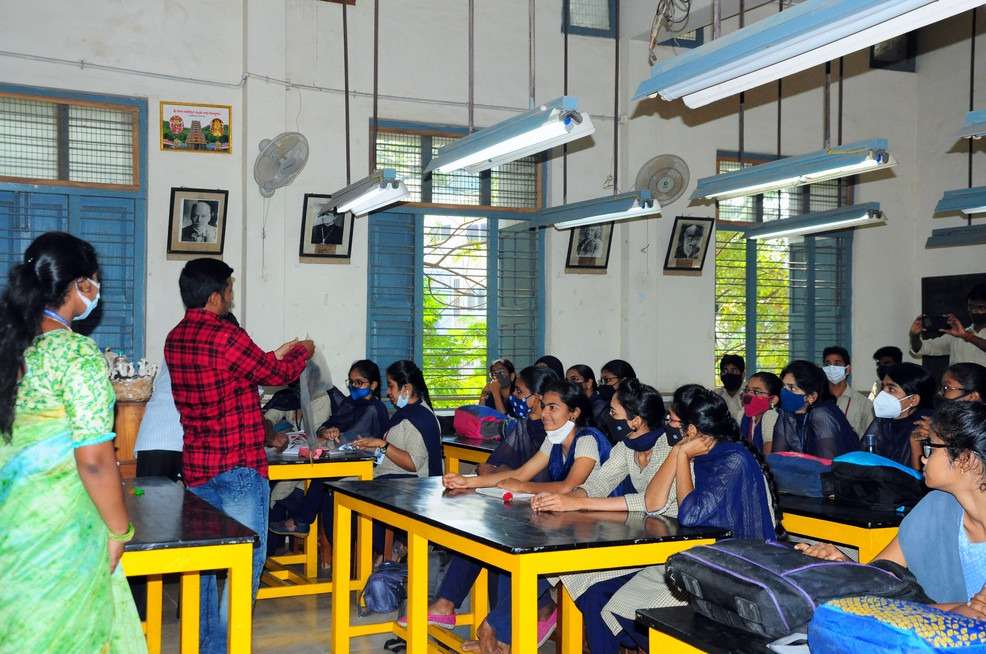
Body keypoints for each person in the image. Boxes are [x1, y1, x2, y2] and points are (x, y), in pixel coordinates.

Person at [0, 232, 146, 654]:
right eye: (95, 282)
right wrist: (120, 529)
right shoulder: (75, 355)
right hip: (60, 532)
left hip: (12, 525)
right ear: (81, 286)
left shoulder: (12, 349)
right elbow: (96, 459)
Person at [165, 258, 314, 654]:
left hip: (198, 468)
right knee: (246, 557)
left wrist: (274, 353)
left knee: (203, 561)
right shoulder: (225, 337)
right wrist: (302, 352)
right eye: (230, 289)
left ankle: (203, 645)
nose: (232, 295)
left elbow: (241, 369)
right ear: (215, 297)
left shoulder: (174, 339)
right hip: (239, 468)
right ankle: (227, 646)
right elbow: (276, 374)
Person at [417, 380, 614, 648]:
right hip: (568, 523)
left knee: (520, 549)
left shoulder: (587, 438)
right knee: (501, 538)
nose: (544, 413)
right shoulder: (554, 440)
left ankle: (495, 629)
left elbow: (570, 486)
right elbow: (519, 474)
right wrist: (467, 481)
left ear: (574, 412)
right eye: (544, 406)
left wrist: (522, 487)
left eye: (553, 407)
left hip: (601, 528)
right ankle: (503, 635)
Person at [589, 385, 780, 654]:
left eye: (672, 420)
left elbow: (690, 514)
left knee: (637, 605)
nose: (667, 424)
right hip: (698, 556)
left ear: (691, 429)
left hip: (734, 567)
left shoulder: (731, 459)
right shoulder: (700, 453)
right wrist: (681, 453)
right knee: (617, 604)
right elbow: (654, 502)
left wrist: (681, 454)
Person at [796, 401, 986, 618]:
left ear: (965, 459)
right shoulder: (935, 507)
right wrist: (845, 565)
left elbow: (975, 617)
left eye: (930, 447)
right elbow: (883, 577)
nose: (924, 457)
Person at [531, 379, 679, 654]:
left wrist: (576, 505)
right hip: (642, 536)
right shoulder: (626, 448)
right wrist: (568, 499)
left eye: (614, 413)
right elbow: (599, 481)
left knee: (596, 590)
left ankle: (632, 638)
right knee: (579, 579)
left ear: (635, 420)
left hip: (671, 543)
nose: (608, 418)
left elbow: (651, 505)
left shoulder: (669, 448)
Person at [270, 360, 390, 538]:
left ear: (373, 385)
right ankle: (297, 520)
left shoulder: (375, 409)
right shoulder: (350, 402)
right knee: (310, 475)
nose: (354, 387)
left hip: (367, 462)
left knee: (322, 478)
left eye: (360, 382)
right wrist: (327, 431)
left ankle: (302, 522)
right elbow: (328, 425)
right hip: (344, 455)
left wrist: (340, 435)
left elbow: (370, 441)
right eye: (351, 382)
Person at [352, 360, 442, 555]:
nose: (388, 392)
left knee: (352, 495)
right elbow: (392, 452)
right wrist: (370, 446)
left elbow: (412, 464)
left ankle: (389, 550)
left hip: (412, 484)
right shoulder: (407, 413)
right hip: (392, 475)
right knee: (336, 489)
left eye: (391, 386)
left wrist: (382, 444)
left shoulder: (419, 418)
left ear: (406, 388)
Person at [478, 366, 558, 475]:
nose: (514, 394)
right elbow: (493, 464)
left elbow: (538, 477)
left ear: (536, 398)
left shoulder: (553, 431)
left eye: (519, 391)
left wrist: (503, 471)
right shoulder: (523, 425)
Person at [771, 360, 859, 458]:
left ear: (812, 397)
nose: (784, 392)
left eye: (792, 388)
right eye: (784, 387)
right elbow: (776, 459)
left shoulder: (822, 415)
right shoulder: (786, 413)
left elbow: (827, 465)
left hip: (843, 471)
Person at [863, 363, 936, 469]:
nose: (882, 394)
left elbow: (923, 476)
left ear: (913, 399)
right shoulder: (883, 421)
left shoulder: (927, 426)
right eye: (883, 387)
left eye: (891, 389)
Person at [909, 284, 986, 367]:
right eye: (970, 306)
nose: (973, 311)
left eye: (980, 307)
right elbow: (921, 349)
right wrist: (914, 335)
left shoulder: (963, 334)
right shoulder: (957, 334)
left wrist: (967, 336)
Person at [822, 345, 875, 439]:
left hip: (852, 452)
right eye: (827, 364)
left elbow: (870, 437)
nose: (831, 368)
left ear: (847, 369)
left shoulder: (863, 403)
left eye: (837, 364)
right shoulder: (817, 399)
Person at [739, 371, 782, 454]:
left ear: (773, 399)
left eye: (757, 392)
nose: (749, 395)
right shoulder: (743, 414)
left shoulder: (771, 416)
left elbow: (767, 459)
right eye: (747, 390)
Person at [567, 364, 610, 435]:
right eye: (567, 380)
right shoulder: (576, 403)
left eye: (574, 379)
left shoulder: (600, 406)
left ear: (589, 383)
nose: (569, 384)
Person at [712, 353, 745, 425]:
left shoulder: (750, 394)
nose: (729, 374)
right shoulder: (715, 395)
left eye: (734, 370)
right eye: (725, 371)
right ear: (721, 374)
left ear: (743, 374)